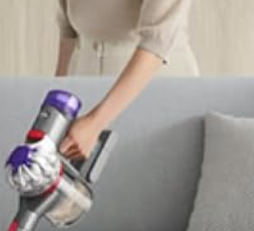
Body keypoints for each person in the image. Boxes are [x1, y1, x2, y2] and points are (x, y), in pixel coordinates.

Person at [53, 0, 198, 160]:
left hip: (155, 93)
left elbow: (157, 41)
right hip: (86, 91)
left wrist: (95, 123)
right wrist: (56, 112)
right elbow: (68, 34)